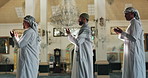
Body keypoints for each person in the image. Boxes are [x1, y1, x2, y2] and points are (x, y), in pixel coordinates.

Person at [114, 7, 146, 78]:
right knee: (130, 70)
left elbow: (134, 38)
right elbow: (128, 38)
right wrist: (120, 34)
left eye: (126, 14)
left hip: (134, 52)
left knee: (134, 70)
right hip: (130, 51)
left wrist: (122, 32)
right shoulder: (131, 24)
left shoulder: (135, 23)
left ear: (132, 14)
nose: (125, 16)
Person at [66, 13, 93, 78]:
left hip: (84, 54)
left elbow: (78, 42)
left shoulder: (85, 29)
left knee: (83, 71)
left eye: (79, 19)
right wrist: (70, 35)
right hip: (82, 53)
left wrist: (69, 35)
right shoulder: (83, 29)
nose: (78, 20)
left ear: (84, 19)